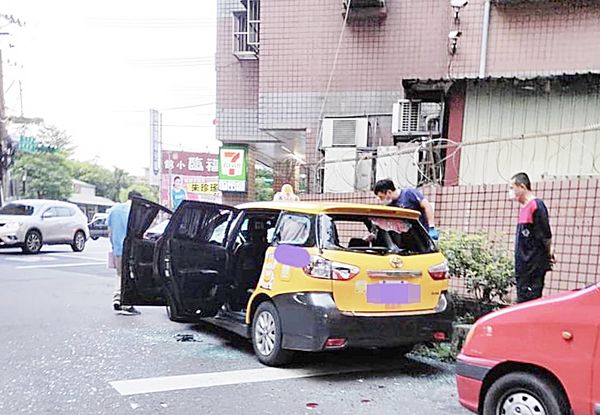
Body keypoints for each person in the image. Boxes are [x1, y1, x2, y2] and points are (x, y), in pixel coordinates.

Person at [510, 172, 554, 303]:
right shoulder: (524, 208)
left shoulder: (536, 205)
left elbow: (545, 234)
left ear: (522, 187)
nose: (510, 192)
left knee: (530, 301)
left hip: (532, 266)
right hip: (523, 266)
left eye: (512, 188)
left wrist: (549, 251)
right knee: (522, 300)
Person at [108, 190, 143, 315]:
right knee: (128, 275)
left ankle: (117, 299)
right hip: (130, 249)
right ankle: (127, 304)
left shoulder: (114, 210)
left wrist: (113, 246)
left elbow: (110, 232)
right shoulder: (135, 212)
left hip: (117, 248)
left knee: (119, 275)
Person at [373, 179, 438, 240]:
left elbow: (427, 206)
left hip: (422, 235)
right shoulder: (390, 205)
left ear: (389, 192)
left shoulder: (408, 193)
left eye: (381, 197)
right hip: (407, 237)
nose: (381, 200)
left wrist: (431, 227)